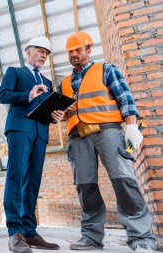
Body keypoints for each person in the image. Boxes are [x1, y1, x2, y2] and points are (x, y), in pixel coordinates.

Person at [60, 31, 159, 252]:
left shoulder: (106, 70)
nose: (74, 54)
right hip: (78, 137)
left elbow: (124, 97)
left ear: (88, 49)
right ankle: (91, 237)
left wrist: (131, 125)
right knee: (86, 187)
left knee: (124, 181)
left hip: (108, 131)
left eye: (78, 49)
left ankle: (141, 238)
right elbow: (63, 112)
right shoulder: (65, 83)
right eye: (70, 51)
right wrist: (59, 114)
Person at [0, 36, 64, 253]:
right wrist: (28, 94)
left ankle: (29, 231)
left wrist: (54, 116)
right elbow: (3, 96)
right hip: (19, 129)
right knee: (16, 177)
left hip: (40, 132)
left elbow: (45, 111)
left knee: (33, 182)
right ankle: (14, 232)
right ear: (28, 51)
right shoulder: (15, 73)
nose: (44, 55)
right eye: (40, 51)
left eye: (47, 53)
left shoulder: (47, 82)